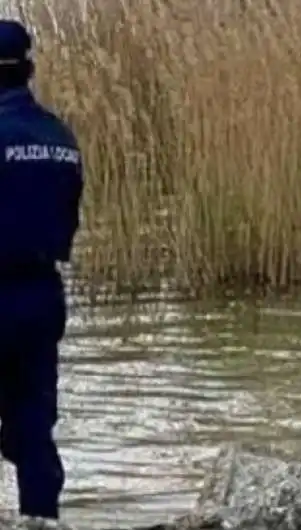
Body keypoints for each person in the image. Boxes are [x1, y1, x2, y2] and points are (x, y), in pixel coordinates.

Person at [0, 20, 84, 520]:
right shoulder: (60, 136)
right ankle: (40, 519)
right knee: (33, 429)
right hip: (41, 297)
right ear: (27, 70)